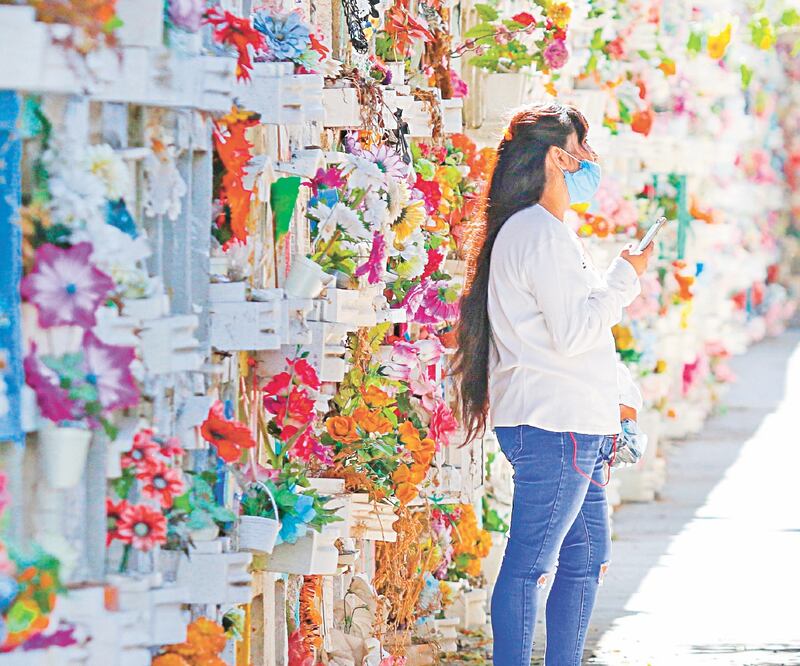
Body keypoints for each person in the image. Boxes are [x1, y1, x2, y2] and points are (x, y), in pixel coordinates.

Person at [452, 103, 653, 665]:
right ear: (559, 157)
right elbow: (574, 333)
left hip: (573, 424)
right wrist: (624, 279)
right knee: (532, 561)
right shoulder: (537, 233)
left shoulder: (549, 231)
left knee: (587, 558)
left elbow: (572, 338)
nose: (591, 161)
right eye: (584, 149)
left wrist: (617, 407)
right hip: (553, 426)